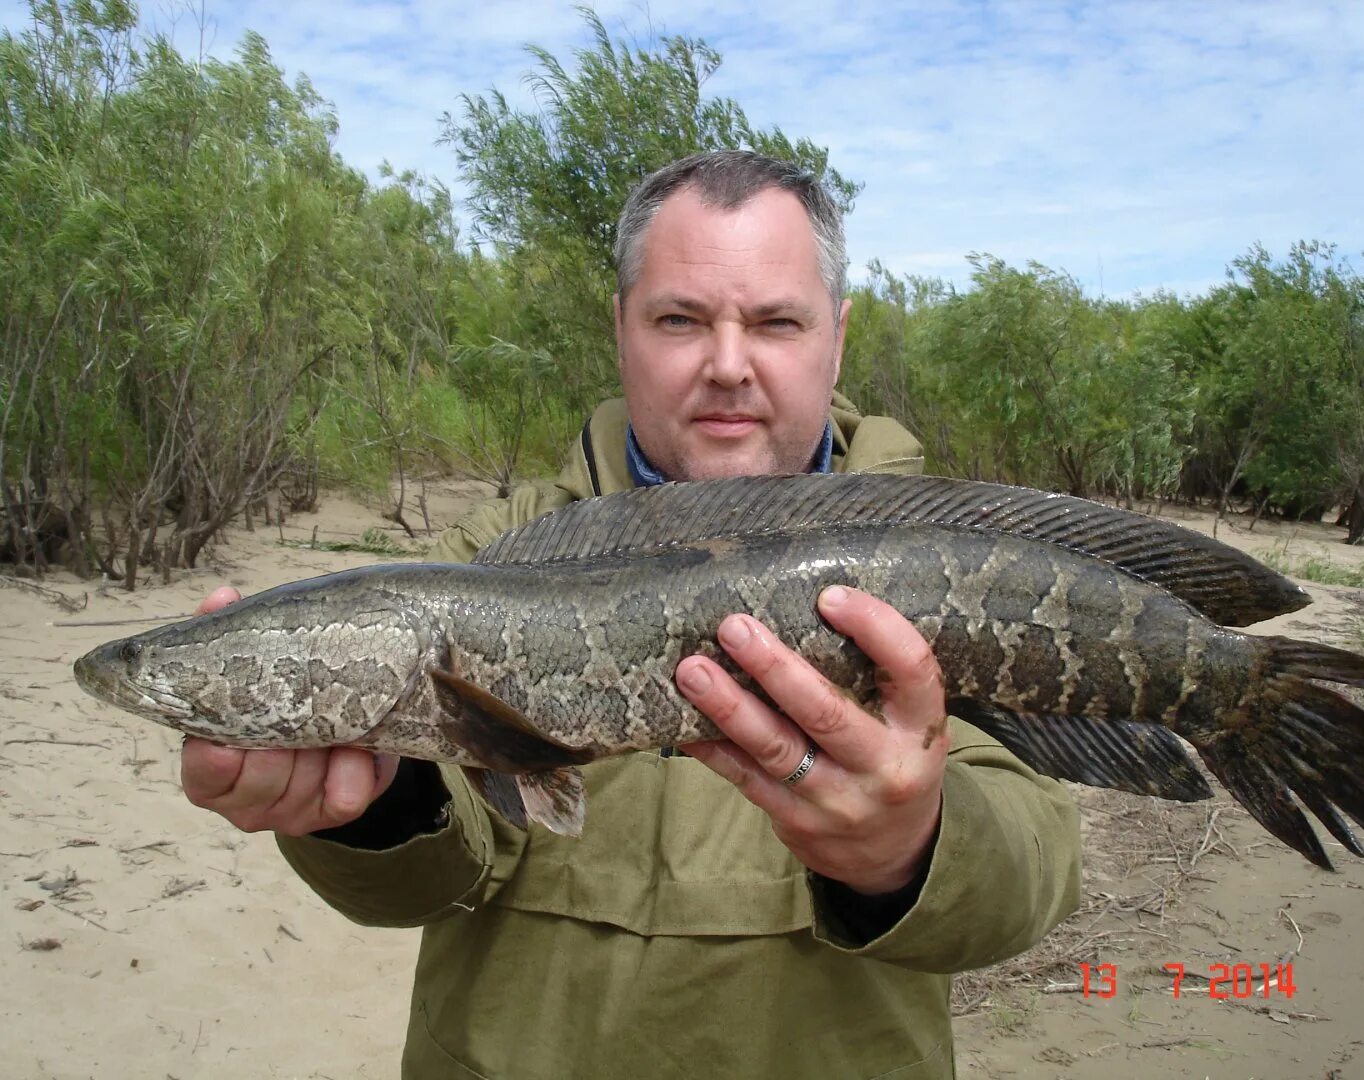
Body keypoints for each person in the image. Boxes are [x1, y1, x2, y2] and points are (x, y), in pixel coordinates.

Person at [182, 151, 1082, 1078]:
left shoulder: (954, 561)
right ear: (622, 330)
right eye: (680, 319)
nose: (728, 366)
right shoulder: (488, 554)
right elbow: (422, 884)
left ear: (838, 337)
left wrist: (912, 849)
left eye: (776, 322)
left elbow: (1036, 868)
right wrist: (365, 813)